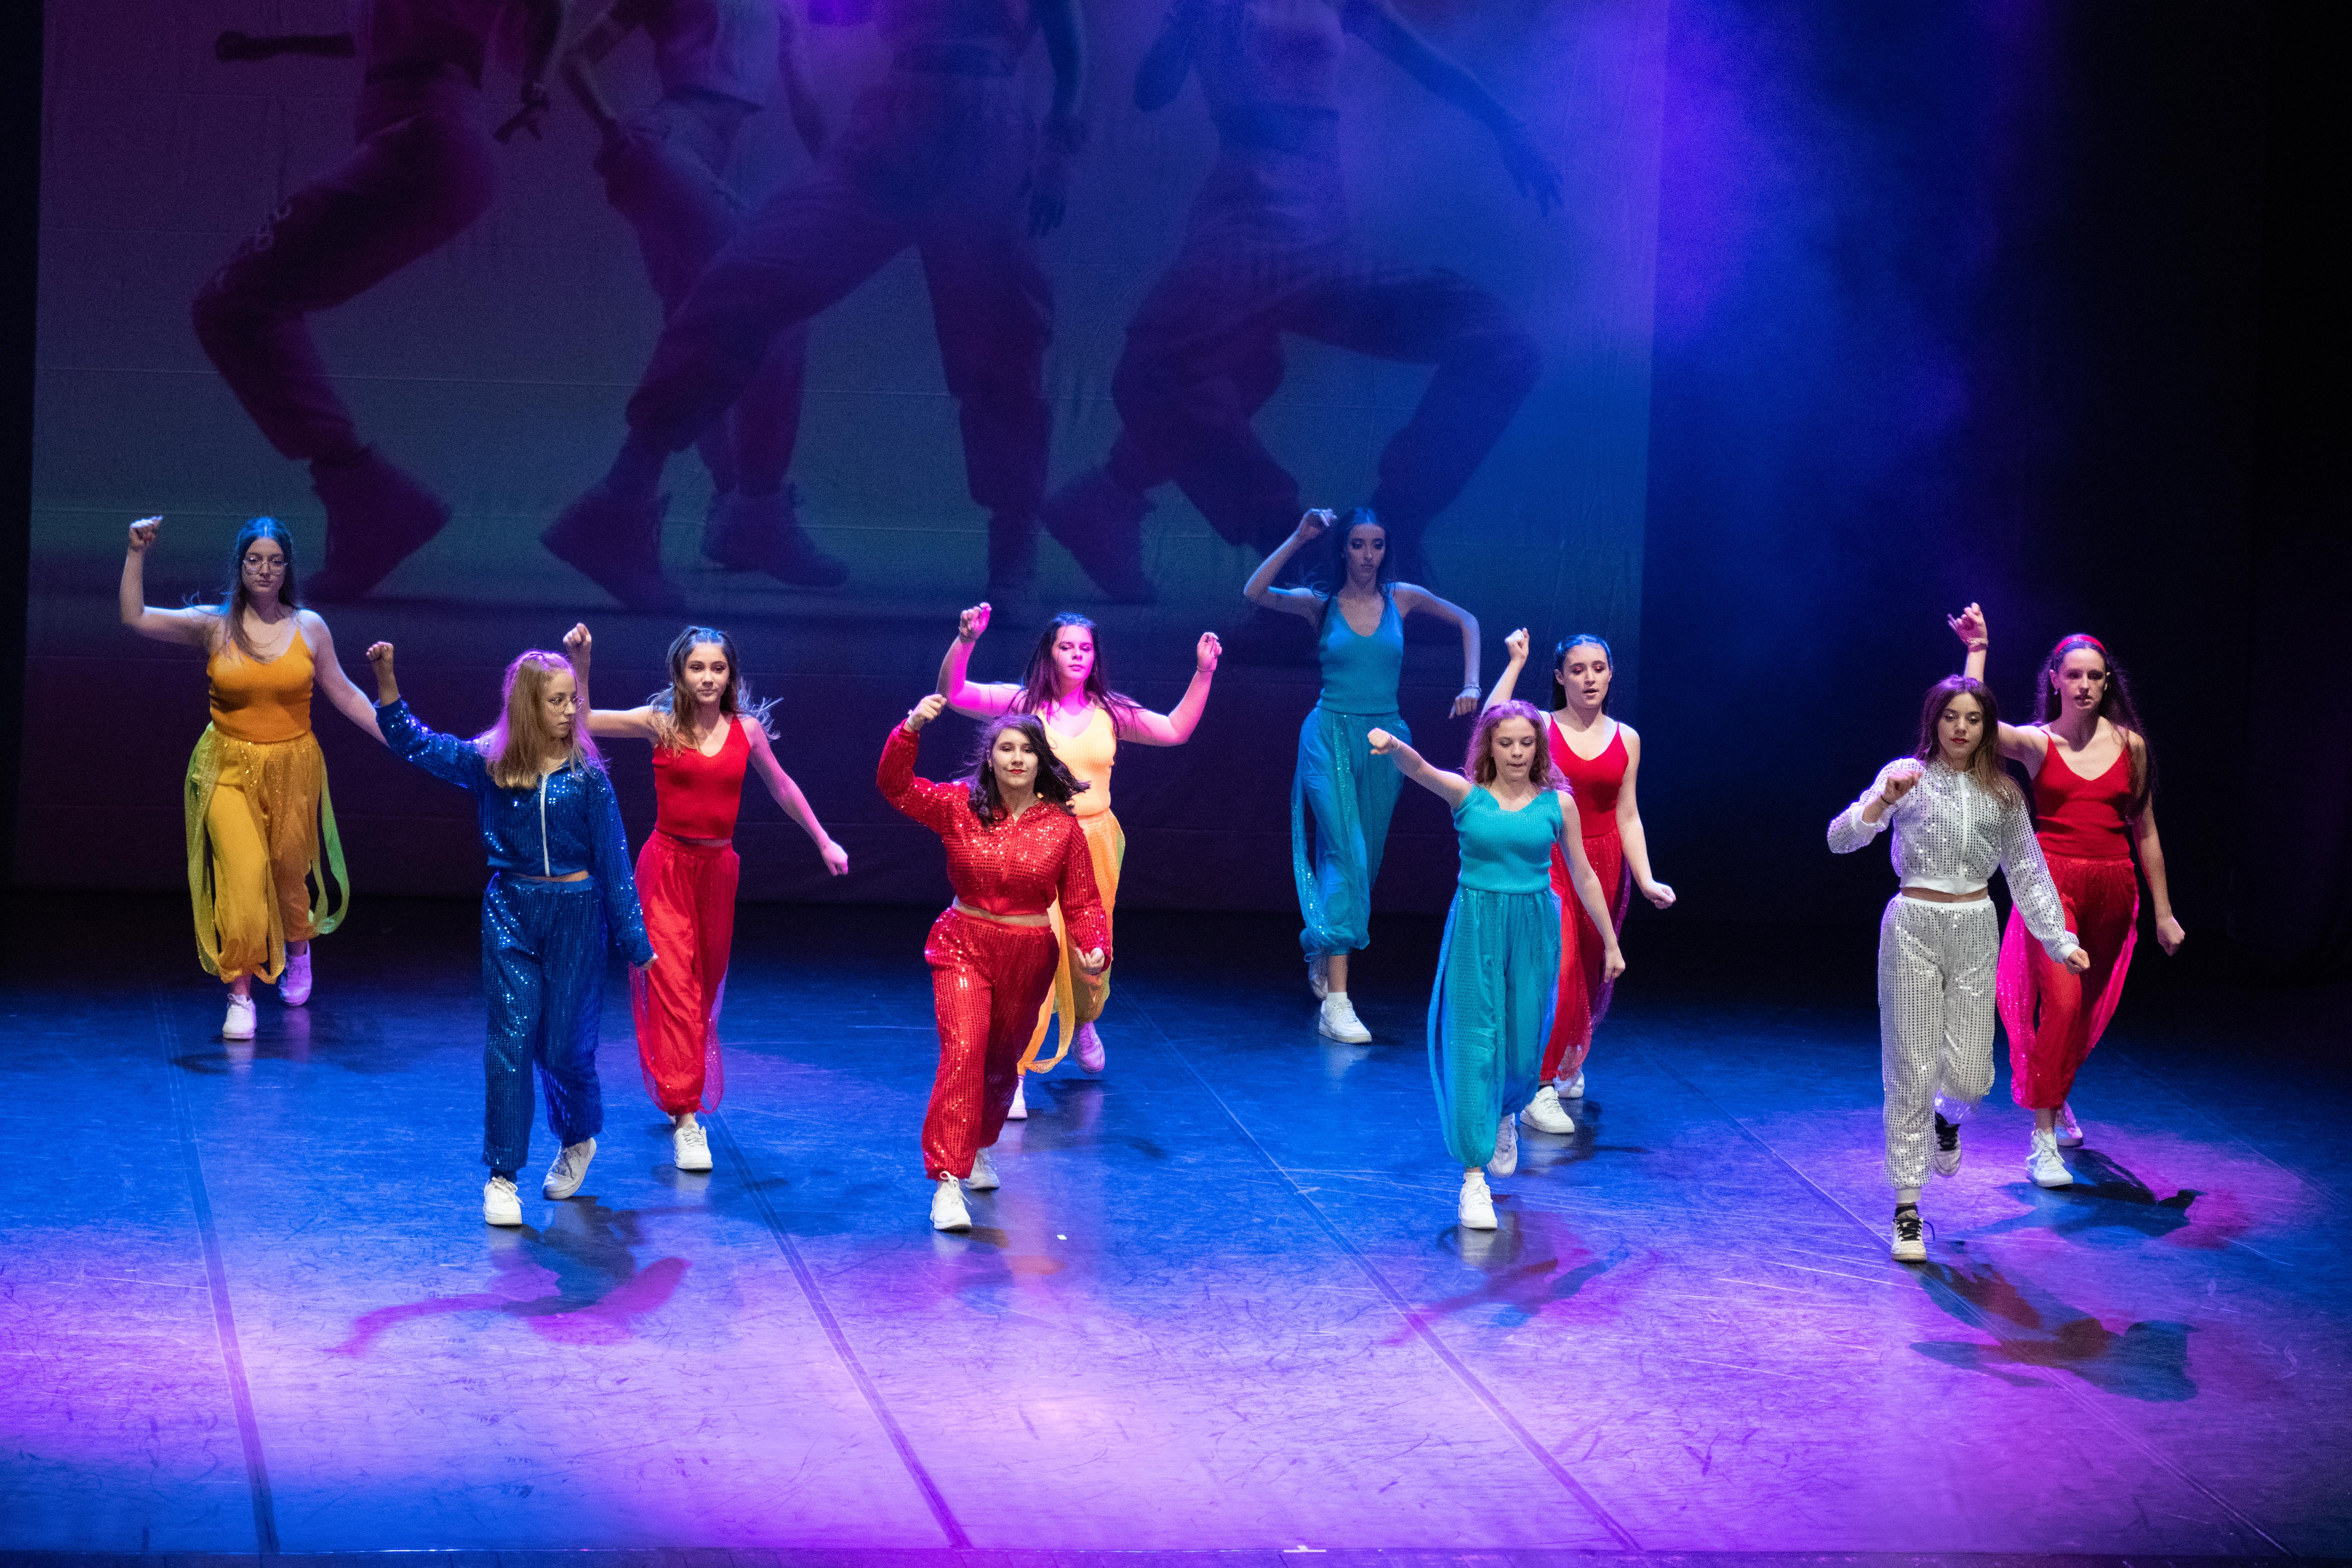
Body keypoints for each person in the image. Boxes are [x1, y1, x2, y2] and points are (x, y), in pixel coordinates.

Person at [542, 0, 1087, 613]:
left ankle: (1014, 545)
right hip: (897, 117)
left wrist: (1060, 147)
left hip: (985, 122)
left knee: (1003, 338)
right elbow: (836, 15)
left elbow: (1071, 48)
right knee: (749, 278)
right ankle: (624, 496)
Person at [1036, 0, 1557, 600]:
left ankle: (1383, 540)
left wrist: (1508, 127)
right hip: (1245, 221)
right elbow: (1152, 92)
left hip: (1321, 227)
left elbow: (1424, 60)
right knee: (1166, 369)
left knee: (1501, 346)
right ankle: (1303, 562)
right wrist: (1184, 26)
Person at [192, 0, 565, 601]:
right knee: (240, 303)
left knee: (233, 302)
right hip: (428, 145)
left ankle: (370, 496)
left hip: (428, 138)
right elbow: (364, 41)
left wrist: (537, 83)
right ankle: (366, 496)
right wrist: (275, 45)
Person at [364, 639, 657, 1227]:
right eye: (558, 701)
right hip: (512, 913)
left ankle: (578, 1137)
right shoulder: (490, 764)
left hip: (576, 914)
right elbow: (417, 744)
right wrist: (387, 681)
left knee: (564, 1047)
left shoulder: (588, 778)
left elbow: (615, 863)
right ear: (528, 706)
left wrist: (637, 943)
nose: (572, 710)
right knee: (511, 1039)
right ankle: (502, 1176)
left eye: (574, 700)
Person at [560, 0, 846, 584]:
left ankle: (730, 505)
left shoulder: (781, 10)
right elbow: (577, 57)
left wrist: (854, 186)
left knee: (703, 329)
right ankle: (752, 510)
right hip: (660, 147)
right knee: (774, 299)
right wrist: (613, 128)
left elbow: (808, 108)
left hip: (678, 160)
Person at [565, 623, 849, 1172]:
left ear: (730, 675)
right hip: (666, 869)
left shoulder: (747, 731)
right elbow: (585, 722)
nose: (708, 677)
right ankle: (687, 1118)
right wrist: (582, 663)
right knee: (673, 986)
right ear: (680, 673)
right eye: (697, 667)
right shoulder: (660, 724)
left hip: (718, 873)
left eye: (718, 668)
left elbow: (783, 787)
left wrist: (823, 839)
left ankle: (682, 1090)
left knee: (701, 992)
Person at [1828, 676, 2088, 1263]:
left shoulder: (2004, 794)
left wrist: (2058, 940)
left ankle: (1946, 1121)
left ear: (1986, 726)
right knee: (1910, 1068)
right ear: (1935, 720)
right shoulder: (1907, 776)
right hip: (1913, 925)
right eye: (1951, 717)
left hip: (1975, 927)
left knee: (1972, 1075)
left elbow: (2028, 871)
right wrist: (1882, 801)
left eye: (1973, 718)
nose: (1961, 728)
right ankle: (1907, 1209)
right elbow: (1840, 839)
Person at [936, 604, 1220, 1099]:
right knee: (1030, 959)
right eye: (1066, 647)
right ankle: (1015, 1071)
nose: (1076, 655)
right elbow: (955, 693)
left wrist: (1204, 673)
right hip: (1037, 844)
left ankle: (1085, 1020)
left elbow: (1176, 730)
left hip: (1096, 843)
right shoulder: (1024, 705)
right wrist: (965, 641)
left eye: (1085, 648)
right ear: (1049, 653)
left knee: (1090, 954)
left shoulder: (1110, 710)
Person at [1950, 604, 2184, 1185]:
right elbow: (1976, 727)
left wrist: (2163, 912)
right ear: (2055, 680)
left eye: (2094, 676)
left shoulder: (2131, 747)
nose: (2084, 685)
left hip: (2114, 891)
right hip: (2050, 890)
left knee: (2080, 1016)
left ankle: (2055, 1093)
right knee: (2062, 1004)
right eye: (2074, 675)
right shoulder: (2039, 743)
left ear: (2107, 684)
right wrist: (1978, 650)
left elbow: (2146, 830)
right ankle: (2043, 1140)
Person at [1367, 702, 1623, 1230]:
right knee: (1475, 1046)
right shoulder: (1469, 796)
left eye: (1526, 743)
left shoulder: (1558, 804)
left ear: (1539, 748)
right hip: (1477, 929)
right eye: (1506, 743)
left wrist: (1611, 941)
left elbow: (1584, 875)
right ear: (1489, 746)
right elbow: (1422, 770)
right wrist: (1393, 747)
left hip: (1533, 932)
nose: (1516, 753)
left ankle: (1508, 1111)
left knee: (1525, 1046)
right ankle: (1473, 1180)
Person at [121, 516, 379, 1039]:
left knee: (288, 873)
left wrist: (403, 738)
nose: (265, 570)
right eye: (255, 560)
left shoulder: (310, 627)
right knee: (242, 875)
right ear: (241, 566)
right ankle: (240, 993)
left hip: (293, 768)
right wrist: (136, 553)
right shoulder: (215, 626)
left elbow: (347, 694)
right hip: (226, 768)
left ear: (287, 568)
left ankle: (298, 948)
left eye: (275, 561)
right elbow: (137, 618)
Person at [1245, 507, 1480, 1042]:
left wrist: (1471, 684)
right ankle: (1338, 1003)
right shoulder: (1320, 604)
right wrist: (1298, 536)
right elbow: (1255, 591)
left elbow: (1468, 621)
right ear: (1343, 549)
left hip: (1385, 743)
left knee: (1362, 863)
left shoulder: (1403, 598)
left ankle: (1325, 943)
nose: (1368, 555)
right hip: (1328, 737)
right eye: (1357, 544)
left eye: (1377, 545)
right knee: (1347, 855)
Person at [879, 693, 1108, 1232]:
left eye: (1027, 750)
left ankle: (979, 1143)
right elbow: (896, 787)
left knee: (1002, 1063)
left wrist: (1094, 945)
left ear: (1041, 761)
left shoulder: (1062, 828)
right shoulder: (959, 805)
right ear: (991, 757)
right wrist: (910, 729)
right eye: (1006, 748)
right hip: (963, 945)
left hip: (1028, 956)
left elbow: (1083, 902)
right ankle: (947, 1181)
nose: (1016, 759)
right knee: (964, 1051)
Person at [1481, 628, 1674, 1133]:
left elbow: (1627, 814)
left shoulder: (1627, 738)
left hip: (1604, 865)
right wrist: (1515, 663)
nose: (1589, 679)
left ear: (1611, 675)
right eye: (1578, 670)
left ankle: (1564, 1056)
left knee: (1587, 970)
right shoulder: (1542, 728)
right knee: (1559, 967)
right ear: (1560, 677)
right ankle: (1538, 1088)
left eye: (1599, 669)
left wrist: (1646, 878)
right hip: (1552, 861)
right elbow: (1491, 724)